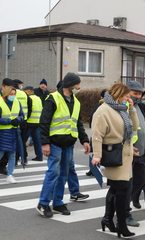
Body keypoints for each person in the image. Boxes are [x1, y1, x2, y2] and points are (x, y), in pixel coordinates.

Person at [36, 72, 90, 218]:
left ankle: (58, 202)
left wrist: (84, 140)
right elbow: (44, 121)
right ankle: (43, 203)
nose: (79, 86)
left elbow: (78, 123)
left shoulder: (76, 102)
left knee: (63, 174)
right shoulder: (53, 98)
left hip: (68, 143)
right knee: (53, 172)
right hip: (54, 143)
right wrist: (45, 143)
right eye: (78, 83)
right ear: (71, 84)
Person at [91, 83, 139, 238]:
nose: (128, 98)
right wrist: (97, 155)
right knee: (122, 190)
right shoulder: (103, 110)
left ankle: (107, 219)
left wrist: (131, 109)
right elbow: (97, 135)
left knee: (116, 189)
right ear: (119, 94)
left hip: (125, 154)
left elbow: (134, 127)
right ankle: (121, 226)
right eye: (126, 95)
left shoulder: (122, 109)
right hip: (114, 154)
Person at [126, 80, 145, 227]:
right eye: (134, 93)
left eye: (139, 94)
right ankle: (124, 212)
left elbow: (144, 128)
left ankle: (120, 206)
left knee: (140, 180)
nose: (137, 96)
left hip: (140, 152)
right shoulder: (123, 107)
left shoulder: (140, 107)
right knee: (124, 185)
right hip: (128, 153)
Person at [0, 78, 24, 183]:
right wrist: (9, 121)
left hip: (14, 132)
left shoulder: (17, 102)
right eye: (11, 93)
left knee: (12, 154)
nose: (13, 96)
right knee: (1, 153)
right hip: (2, 133)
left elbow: (22, 115)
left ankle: (10, 175)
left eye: (14, 93)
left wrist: (17, 120)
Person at [24, 86, 43, 161]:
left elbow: (28, 110)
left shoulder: (29, 98)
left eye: (25, 91)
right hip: (37, 122)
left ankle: (24, 157)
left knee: (23, 140)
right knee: (37, 141)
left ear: (29, 91)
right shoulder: (38, 98)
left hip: (29, 122)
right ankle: (39, 156)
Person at [13, 79, 28, 166]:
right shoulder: (24, 93)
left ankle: (14, 160)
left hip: (14, 121)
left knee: (14, 141)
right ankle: (24, 158)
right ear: (18, 85)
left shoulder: (11, 93)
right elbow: (29, 105)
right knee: (22, 141)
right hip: (24, 120)